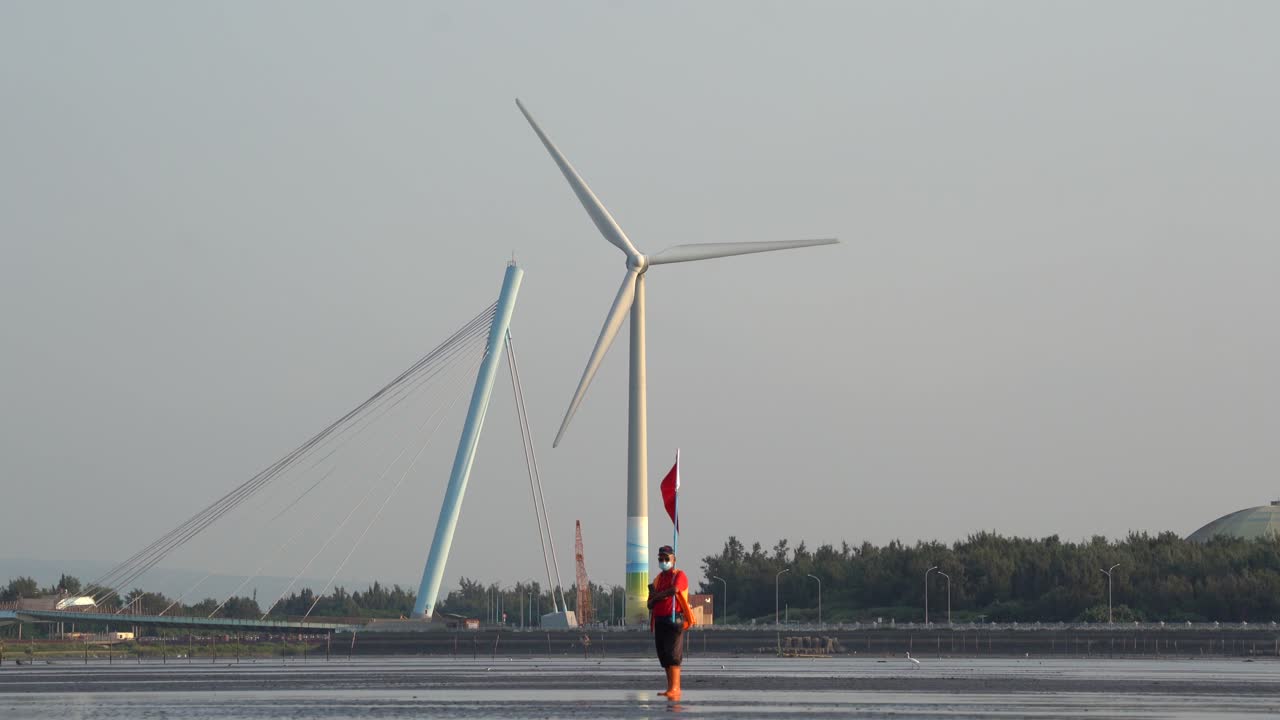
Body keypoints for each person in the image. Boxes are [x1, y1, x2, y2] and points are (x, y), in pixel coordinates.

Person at [648, 544, 695, 700]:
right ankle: (670, 687)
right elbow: (649, 603)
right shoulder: (658, 579)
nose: (663, 561)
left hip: (674, 619)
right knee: (663, 656)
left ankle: (676, 688)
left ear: (673, 559)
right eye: (660, 558)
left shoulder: (679, 575)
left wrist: (658, 596)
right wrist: (655, 597)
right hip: (659, 620)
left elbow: (674, 590)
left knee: (673, 655)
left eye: (666, 558)